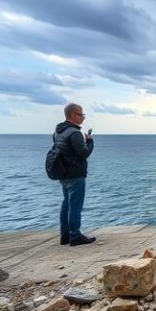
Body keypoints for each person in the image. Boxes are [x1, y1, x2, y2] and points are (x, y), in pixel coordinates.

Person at [55, 103, 96, 246]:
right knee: (75, 205)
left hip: (63, 173)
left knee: (66, 203)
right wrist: (90, 142)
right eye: (81, 114)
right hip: (75, 173)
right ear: (73, 115)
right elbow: (83, 153)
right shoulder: (74, 132)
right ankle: (76, 235)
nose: (83, 117)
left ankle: (64, 235)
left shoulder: (58, 132)